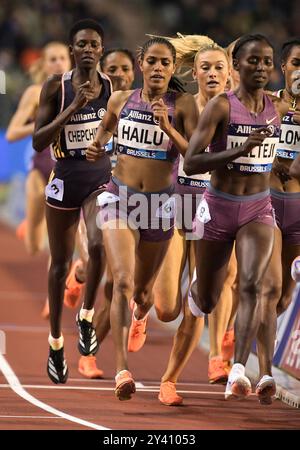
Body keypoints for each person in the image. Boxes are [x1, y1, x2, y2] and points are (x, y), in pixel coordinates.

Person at [86, 36, 198, 400]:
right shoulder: (122, 99)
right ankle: (122, 369)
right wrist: (97, 145)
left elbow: (194, 157)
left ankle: (139, 314)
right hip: (120, 199)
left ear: (172, 68)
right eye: (152, 61)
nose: (158, 68)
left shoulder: (182, 105)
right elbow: (105, 128)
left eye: (165, 63)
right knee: (121, 281)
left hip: (161, 206)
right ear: (141, 64)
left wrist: (168, 128)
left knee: (144, 293)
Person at [184, 34, 288, 402]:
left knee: (251, 287)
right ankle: (197, 287)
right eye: (252, 61)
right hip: (219, 207)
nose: (260, 68)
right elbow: (191, 161)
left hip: (258, 208)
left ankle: (240, 370)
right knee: (209, 300)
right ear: (237, 66)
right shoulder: (220, 107)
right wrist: (240, 149)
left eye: (266, 62)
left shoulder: (277, 108)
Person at [145, 36, 236, 406]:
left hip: (216, 208)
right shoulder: (182, 104)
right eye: (206, 68)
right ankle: (141, 302)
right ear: (194, 72)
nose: (213, 73)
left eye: (220, 68)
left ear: (230, 74)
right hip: (180, 202)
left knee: (201, 299)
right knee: (166, 308)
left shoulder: (240, 109)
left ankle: (178, 376)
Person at [32, 19, 112, 384]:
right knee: (60, 265)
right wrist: (72, 108)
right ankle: (55, 341)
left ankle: (86, 316)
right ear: (72, 49)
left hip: (98, 179)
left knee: (98, 246)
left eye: (94, 44)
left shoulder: (112, 87)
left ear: (102, 49)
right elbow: (38, 140)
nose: (88, 50)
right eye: (81, 44)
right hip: (64, 178)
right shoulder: (56, 86)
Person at [76, 48, 136, 379]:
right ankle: (90, 353)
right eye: (111, 69)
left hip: (142, 203)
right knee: (114, 281)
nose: (119, 74)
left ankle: (80, 273)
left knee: (125, 287)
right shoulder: (95, 105)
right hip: (102, 199)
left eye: (125, 69)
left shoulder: (145, 108)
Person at [256, 38, 300, 404]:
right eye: (297, 63)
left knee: (285, 295)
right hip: (267, 201)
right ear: (284, 67)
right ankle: (265, 371)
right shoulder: (267, 102)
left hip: (298, 206)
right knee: (269, 291)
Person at [6, 42, 70, 255]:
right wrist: (39, 125)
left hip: (68, 168)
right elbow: (11, 133)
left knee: (60, 241)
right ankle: (31, 222)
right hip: (40, 166)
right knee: (34, 247)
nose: (59, 63)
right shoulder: (34, 93)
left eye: (63, 57)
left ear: (70, 62)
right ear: (43, 65)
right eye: (53, 59)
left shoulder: (81, 92)